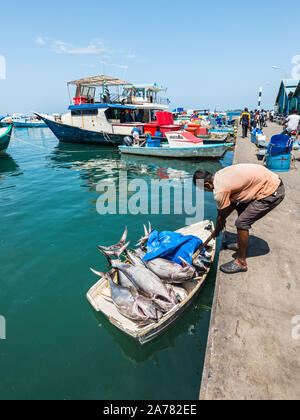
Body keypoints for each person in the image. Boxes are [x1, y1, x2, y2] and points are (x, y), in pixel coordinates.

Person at [193, 164, 285, 274]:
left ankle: (241, 262)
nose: (204, 192)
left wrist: (216, 231)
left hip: (271, 191)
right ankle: (239, 244)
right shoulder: (219, 175)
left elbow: (221, 216)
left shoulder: (220, 191)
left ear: (207, 184)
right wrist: (220, 224)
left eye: (203, 189)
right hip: (270, 181)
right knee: (241, 207)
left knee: (241, 222)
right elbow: (231, 204)